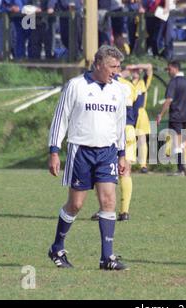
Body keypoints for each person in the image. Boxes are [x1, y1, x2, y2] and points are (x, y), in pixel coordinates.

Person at [47, 45, 129, 271]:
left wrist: (122, 154)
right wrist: (54, 151)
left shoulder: (118, 91)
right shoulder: (76, 86)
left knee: (109, 201)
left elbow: (120, 125)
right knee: (76, 204)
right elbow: (60, 118)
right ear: (99, 64)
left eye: (119, 67)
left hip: (107, 153)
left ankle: (107, 258)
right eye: (113, 66)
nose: (116, 71)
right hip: (80, 151)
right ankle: (57, 248)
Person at [91, 66, 137, 222]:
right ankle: (124, 212)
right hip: (129, 129)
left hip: (111, 130)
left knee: (102, 171)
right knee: (126, 171)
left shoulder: (105, 85)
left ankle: (103, 209)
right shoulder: (129, 85)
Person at [156, 60, 186, 176]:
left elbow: (168, 100)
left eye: (169, 69)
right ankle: (184, 165)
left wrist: (160, 114)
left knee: (176, 143)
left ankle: (181, 169)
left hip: (176, 117)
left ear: (175, 68)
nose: (168, 72)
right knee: (183, 142)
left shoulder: (173, 82)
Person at [128, 63, 153, 174]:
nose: (136, 72)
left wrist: (137, 66)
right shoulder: (126, 83)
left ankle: (143, 165)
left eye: (137, 71)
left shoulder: (143, 82)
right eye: (134, 71)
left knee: (142, 139)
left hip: (141, 113)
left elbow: (149, 67)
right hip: (129, 113)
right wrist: (130, 69)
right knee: (130, 139)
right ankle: (129, 162)